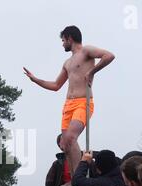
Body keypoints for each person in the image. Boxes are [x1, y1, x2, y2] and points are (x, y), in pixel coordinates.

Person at [24, 25, 115, 176]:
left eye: (63, 40)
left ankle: (79, 178)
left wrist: (92, 71)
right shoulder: (67, 62)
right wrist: (35, 80)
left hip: (83, 101)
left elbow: (109, 55)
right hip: (68, 104)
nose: (62, 44)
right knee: (65, 144)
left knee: (71, 137)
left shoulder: (86, 51)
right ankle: (73, 181)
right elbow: (55, 85)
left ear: (69, 38)